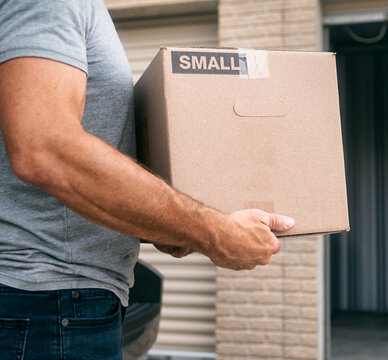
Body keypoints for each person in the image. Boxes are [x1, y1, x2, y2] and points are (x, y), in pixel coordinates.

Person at [0, 0, 294, 359]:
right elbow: (44, 150)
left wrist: (168, 225)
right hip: (46, 304)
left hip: (55, 304)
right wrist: (215, 232)